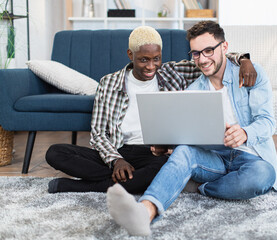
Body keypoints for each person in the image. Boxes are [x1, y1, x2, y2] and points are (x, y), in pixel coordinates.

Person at [106, 21, 277, 237]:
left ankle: (202, 187)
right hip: (215, 158)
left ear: (224, 48)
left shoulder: (250, 75)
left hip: (252, 158)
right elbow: (191, 134)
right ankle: (145, 212)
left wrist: (245, 132)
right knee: (183, 151)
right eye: (196, 53)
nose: (202, 59)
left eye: (208, 50)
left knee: (264, 174)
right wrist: (167, 145)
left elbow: (267, 122)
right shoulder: (194, 89)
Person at [45, 25, 257, 194]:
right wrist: (116, 161)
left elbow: (210, 58)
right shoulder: (109, 83)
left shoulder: (174, 72)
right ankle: (129, 180)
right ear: (130, 54)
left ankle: (79, 187)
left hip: (156, 153)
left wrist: (243, 59)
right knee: (55, 153)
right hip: (120, 150)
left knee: (164, 168)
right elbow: (98, 134)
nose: (151, 66)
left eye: (156, 59)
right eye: (143, 60)